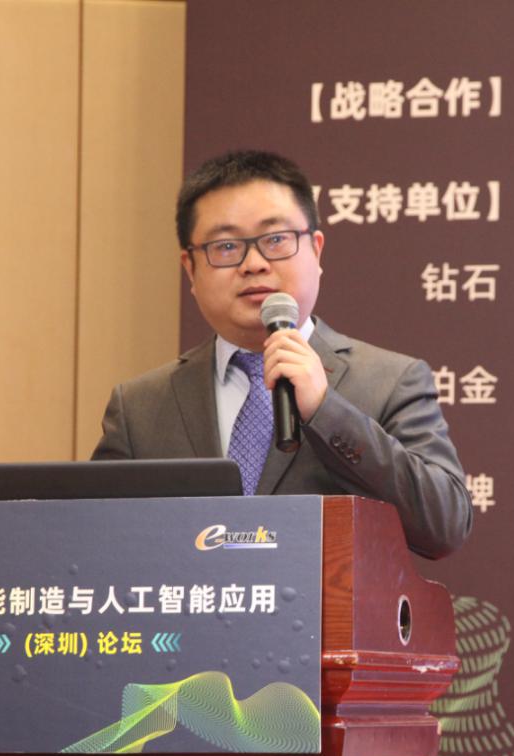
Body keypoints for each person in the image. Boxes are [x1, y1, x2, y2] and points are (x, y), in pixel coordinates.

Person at [92, 150, 472, 559]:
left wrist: (326, 411)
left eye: (275, 240)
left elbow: (444, 524)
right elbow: (90, 539)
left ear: (316, 251)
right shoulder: (140, 407)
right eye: (225, 246)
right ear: (190, 269)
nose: (254, 264)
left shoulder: (391, 381)